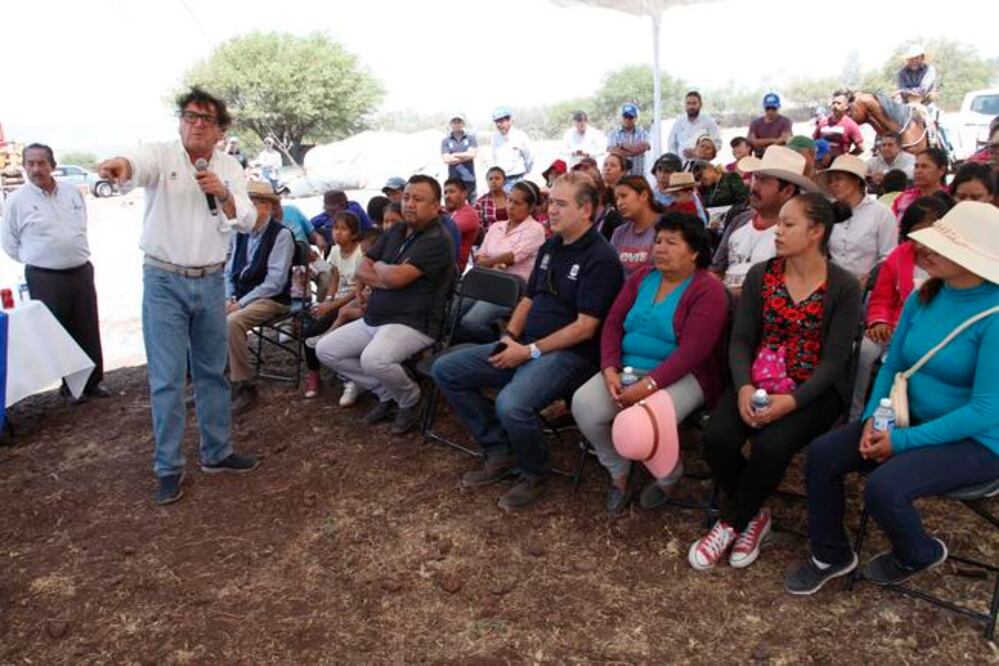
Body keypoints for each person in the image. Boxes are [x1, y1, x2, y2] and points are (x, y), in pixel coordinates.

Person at [785, 201, 999, 596]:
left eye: (940, 246)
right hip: (906, 417)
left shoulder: (994, 316)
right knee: (823, 454)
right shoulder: (924, 296)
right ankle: (830, 554)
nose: (924, 250)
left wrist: (900, 441)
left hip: (977, 441)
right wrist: (872, 419)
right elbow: (893, 364)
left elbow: (985, 411)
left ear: (974, 259)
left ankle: (918, 553)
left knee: (884, 487)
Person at [97, 87, 259, 504]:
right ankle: (168, 467)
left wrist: (222, 192)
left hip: (210, 281)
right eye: (190, 116)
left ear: (221, 131)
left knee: (212, 371)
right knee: (167, 379)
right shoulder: (162, 154)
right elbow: (135, 165)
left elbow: (248, 218)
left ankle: (217, 452)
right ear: (180, 121)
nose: (197, 124)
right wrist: (120, 165)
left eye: (207, 119)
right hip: (164, 281)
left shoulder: (229, 167)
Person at [431, 172, 624, 510]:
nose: (551, 210)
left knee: (512, 404)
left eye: (561, 204)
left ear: (587, 210)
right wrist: (509, 337)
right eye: (551, 202)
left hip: (571, 355)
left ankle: (534, 472)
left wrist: (529, 351)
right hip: (526, 344)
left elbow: (584, 328)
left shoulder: (601, 257)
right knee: (446, 369)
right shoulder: (551, 246)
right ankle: (499, 448)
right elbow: (529, 298)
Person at [690, 192, 862, 571]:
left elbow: (834, 361)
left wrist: (793, 401)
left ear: (815, 231)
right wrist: (744, 388)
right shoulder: (761, 275)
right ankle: (754, 514)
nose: (777, 232)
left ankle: (733, 522)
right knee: (716, 438)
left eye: (787, 224)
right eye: (778, 223)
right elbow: (741, 340)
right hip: (759, 380)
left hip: (813, 390)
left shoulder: (843, 287)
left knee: (771, 445)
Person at [572, 212, 728, 514]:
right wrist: (609, 369)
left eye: (672, 242)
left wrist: (649, 385)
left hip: (685, 375)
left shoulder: (708, 290)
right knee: (584, 405)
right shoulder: (642, 277)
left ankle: (669, 474)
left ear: (694, 251)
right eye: (658, 241)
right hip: (628, 368)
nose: (660, 248)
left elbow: (693, 352)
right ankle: (619, 471)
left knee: (638, 423)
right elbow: (613, 325)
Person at [316, 175, 455, 435]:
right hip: (377, 317)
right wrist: (384, 274)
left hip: (414, 322)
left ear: (436, 206)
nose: (410, 204)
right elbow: (362, 267)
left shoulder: (437, 239)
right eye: (406, 197)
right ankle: (386, 393)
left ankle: (410, 398)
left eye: (418, 199)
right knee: (326, 349)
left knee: (373, 359)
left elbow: (395, 278)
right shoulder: (396, 230)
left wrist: (380, 270)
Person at [2, 143, 108, 399]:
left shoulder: (72, 192)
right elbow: (9, 241)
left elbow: (81, 223)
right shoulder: (17, 201)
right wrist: (39, 259)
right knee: (59, 332)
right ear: (25, 166)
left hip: (81, 271)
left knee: (87, 325)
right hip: (45, 277)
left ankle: (93, 382)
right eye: (31, 164)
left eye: (41, 163)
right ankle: (71, 388)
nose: (36, 169)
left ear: (53, 165)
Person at [848, 195, 951, 420]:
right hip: (892, 328)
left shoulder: (951, 261)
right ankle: (855, 411)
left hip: (934, 333)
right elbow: (882, 298)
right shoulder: (900, 255)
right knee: (864, 350)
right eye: (917, 234)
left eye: (930, 232)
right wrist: (879, 321)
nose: (923, 243)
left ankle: (908, 414)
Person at [224, 181, 295, 413]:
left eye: (251, 204)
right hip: (241, 297)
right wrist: (228, 298)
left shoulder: (281, 234)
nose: (245, 209)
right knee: (199, 312)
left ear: (266, 207)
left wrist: (240, 304)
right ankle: (213, 380)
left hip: (271, 299)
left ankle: (244, 384)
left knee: (233, 322)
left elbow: (275, 283)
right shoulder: (240, 232)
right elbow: (228, 271)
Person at [710, 146, 817, 294]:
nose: (755, 186)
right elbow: (716, 269)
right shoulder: (739, 220)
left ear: (787, 191)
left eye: (765, 181)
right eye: (755, 177)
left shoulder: (799, 232)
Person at [455, 180, 547, 343]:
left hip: (511, 287)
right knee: (454, 312)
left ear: (531, 207)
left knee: (471, 322)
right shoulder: (496, 226)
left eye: (517, 203)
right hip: (487, 280)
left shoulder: (535, 229)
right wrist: (490, 263)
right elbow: (480, 257)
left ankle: (496, 338)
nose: (510, 206)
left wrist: (488, 262)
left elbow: (512, 257)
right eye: (509, 200)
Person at [302, 211, 365, 400]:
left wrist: (331, 306)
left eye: (343, 229)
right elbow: (335, 277)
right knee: (309, 327)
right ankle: (314, 374)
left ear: (353, 233)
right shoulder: (336, 250)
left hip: (353, 300)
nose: (337, 233)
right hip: (337, 300)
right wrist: (328, 299)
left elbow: (357, 289)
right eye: (335, 229)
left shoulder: (361, 253)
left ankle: (350, 378)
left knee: (324, 328)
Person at [818, 155, 897, 283]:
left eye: (839, 179)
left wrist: (867, 281)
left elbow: (889, 256)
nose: (834, 185)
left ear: (856, 180)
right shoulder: (828, 213)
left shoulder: (881, 213)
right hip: (832, 286)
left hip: (870, 289)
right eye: (831, 181)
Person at [611, 175, 663, 276]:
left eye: (624, 196)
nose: (619, 203)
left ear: (643, 195)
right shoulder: (619, 233)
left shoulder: (666, 227)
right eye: (617, 198)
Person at [891, 147, 948, 221]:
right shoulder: (902, 199)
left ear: (941, 170)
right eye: (916, 166)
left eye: (924, 166)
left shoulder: (950, 197)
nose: (918, 171)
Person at [667, 91, 721, 159]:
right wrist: (676, 160)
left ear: (700, 104)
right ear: (685, 105)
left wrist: (698, 153)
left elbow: (717, 144)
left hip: (701, 164)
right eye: (688, 103)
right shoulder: (679, 121)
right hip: (681, 165)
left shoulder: (709, 122)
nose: (691, 106)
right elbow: (671, 144)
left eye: (694, 103)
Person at [814, 90, 865, 159]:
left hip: (839, 166)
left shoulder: (851, 125)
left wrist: (847, 158)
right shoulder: (822, 123)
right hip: (822, 165)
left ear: (846, 106)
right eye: (833, 103)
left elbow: (861, 148)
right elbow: (814, 141)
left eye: (838, 103)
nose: (835, 106)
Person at [443, 177, 481, 270]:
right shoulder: (448, 212)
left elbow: (442, 233)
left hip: (452, 270)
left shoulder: (468, 214)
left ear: (464, 194)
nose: (447, 196)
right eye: (445, 193)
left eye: (452, 192)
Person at [490, 107, 533, 187]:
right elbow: (494, 158)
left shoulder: (520, 136)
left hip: (517, 179)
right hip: (501, 180)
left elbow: (529, 158)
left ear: (509, 120)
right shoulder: (494, 137)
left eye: (501, 121)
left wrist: (526, 172)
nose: (498, 124)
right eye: (496, 122)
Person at [441, 112, 478, 203]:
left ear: (463, 123)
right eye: (454, 121)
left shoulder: (470, 138)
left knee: (473, 206)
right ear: (450, 124)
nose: (457, 124)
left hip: (469, 178)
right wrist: (465, 155)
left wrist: (454, 155)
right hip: (454, 179)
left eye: (459, 121)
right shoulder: (446, 141)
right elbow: (446, 159)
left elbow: (472, 154)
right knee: (455, 206)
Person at [608, 103, 651, 177]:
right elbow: (612, 150)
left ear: (636, 118)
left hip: (638, 176)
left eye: (630, 117)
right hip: (620, 177)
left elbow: (644, 147)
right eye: (625, 116)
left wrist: (623, 146)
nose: (628, 119)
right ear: (621, 117)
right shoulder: (614, 133)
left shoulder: (643, 133)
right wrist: (635, 150)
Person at [747, 93, 793, 158]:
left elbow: (784, 139)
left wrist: (766, 148)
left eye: (774, 108)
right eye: (767, 108)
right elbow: (752, 141)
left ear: (778, 107)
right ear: (764, 107)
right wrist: (773, 140)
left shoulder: (785, 121)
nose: (770, 111)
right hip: (760, 158)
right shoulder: (755, 123)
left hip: (781, 157)